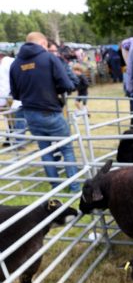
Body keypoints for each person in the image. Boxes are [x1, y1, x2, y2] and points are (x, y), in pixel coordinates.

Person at [9, 32, 80, 192]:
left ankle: (55, 185)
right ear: (42, 43)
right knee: (66, 148)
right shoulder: (48, 58)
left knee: (45, 149)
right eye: (46, 46)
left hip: (30, 114)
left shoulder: (15, 64)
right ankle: (75, 187)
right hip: (50, 111)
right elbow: (67, 84)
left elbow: (15, 94)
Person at [0, 46, 25, 144]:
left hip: (12, 95)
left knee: (16, 117)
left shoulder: (10, 62)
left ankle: (17, 139)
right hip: (5, 95)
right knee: (9, 118)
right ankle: (10, 137)